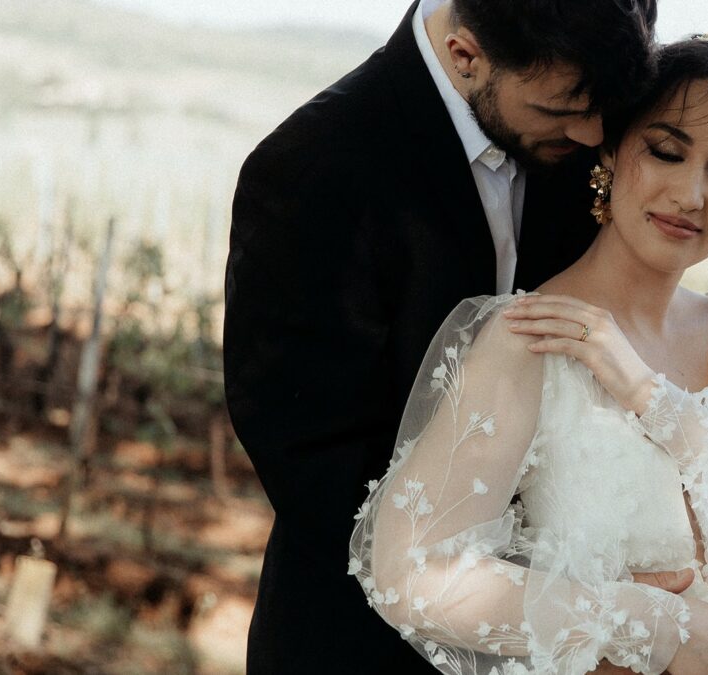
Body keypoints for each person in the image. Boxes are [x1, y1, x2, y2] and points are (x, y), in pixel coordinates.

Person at [349, 35, 708, 675]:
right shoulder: (533, 336)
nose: (691, 194)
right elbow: (411, 572)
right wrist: (652, 626)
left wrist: (655, 402)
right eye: (665, 152)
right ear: (613, 148)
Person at [224, 1, 658, 672]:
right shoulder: (313, 168)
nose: (593, 132)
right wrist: (514, 592)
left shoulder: (583, 105)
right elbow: (310, 451)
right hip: (362, 640)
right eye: (561, 108)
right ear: (465, 55)